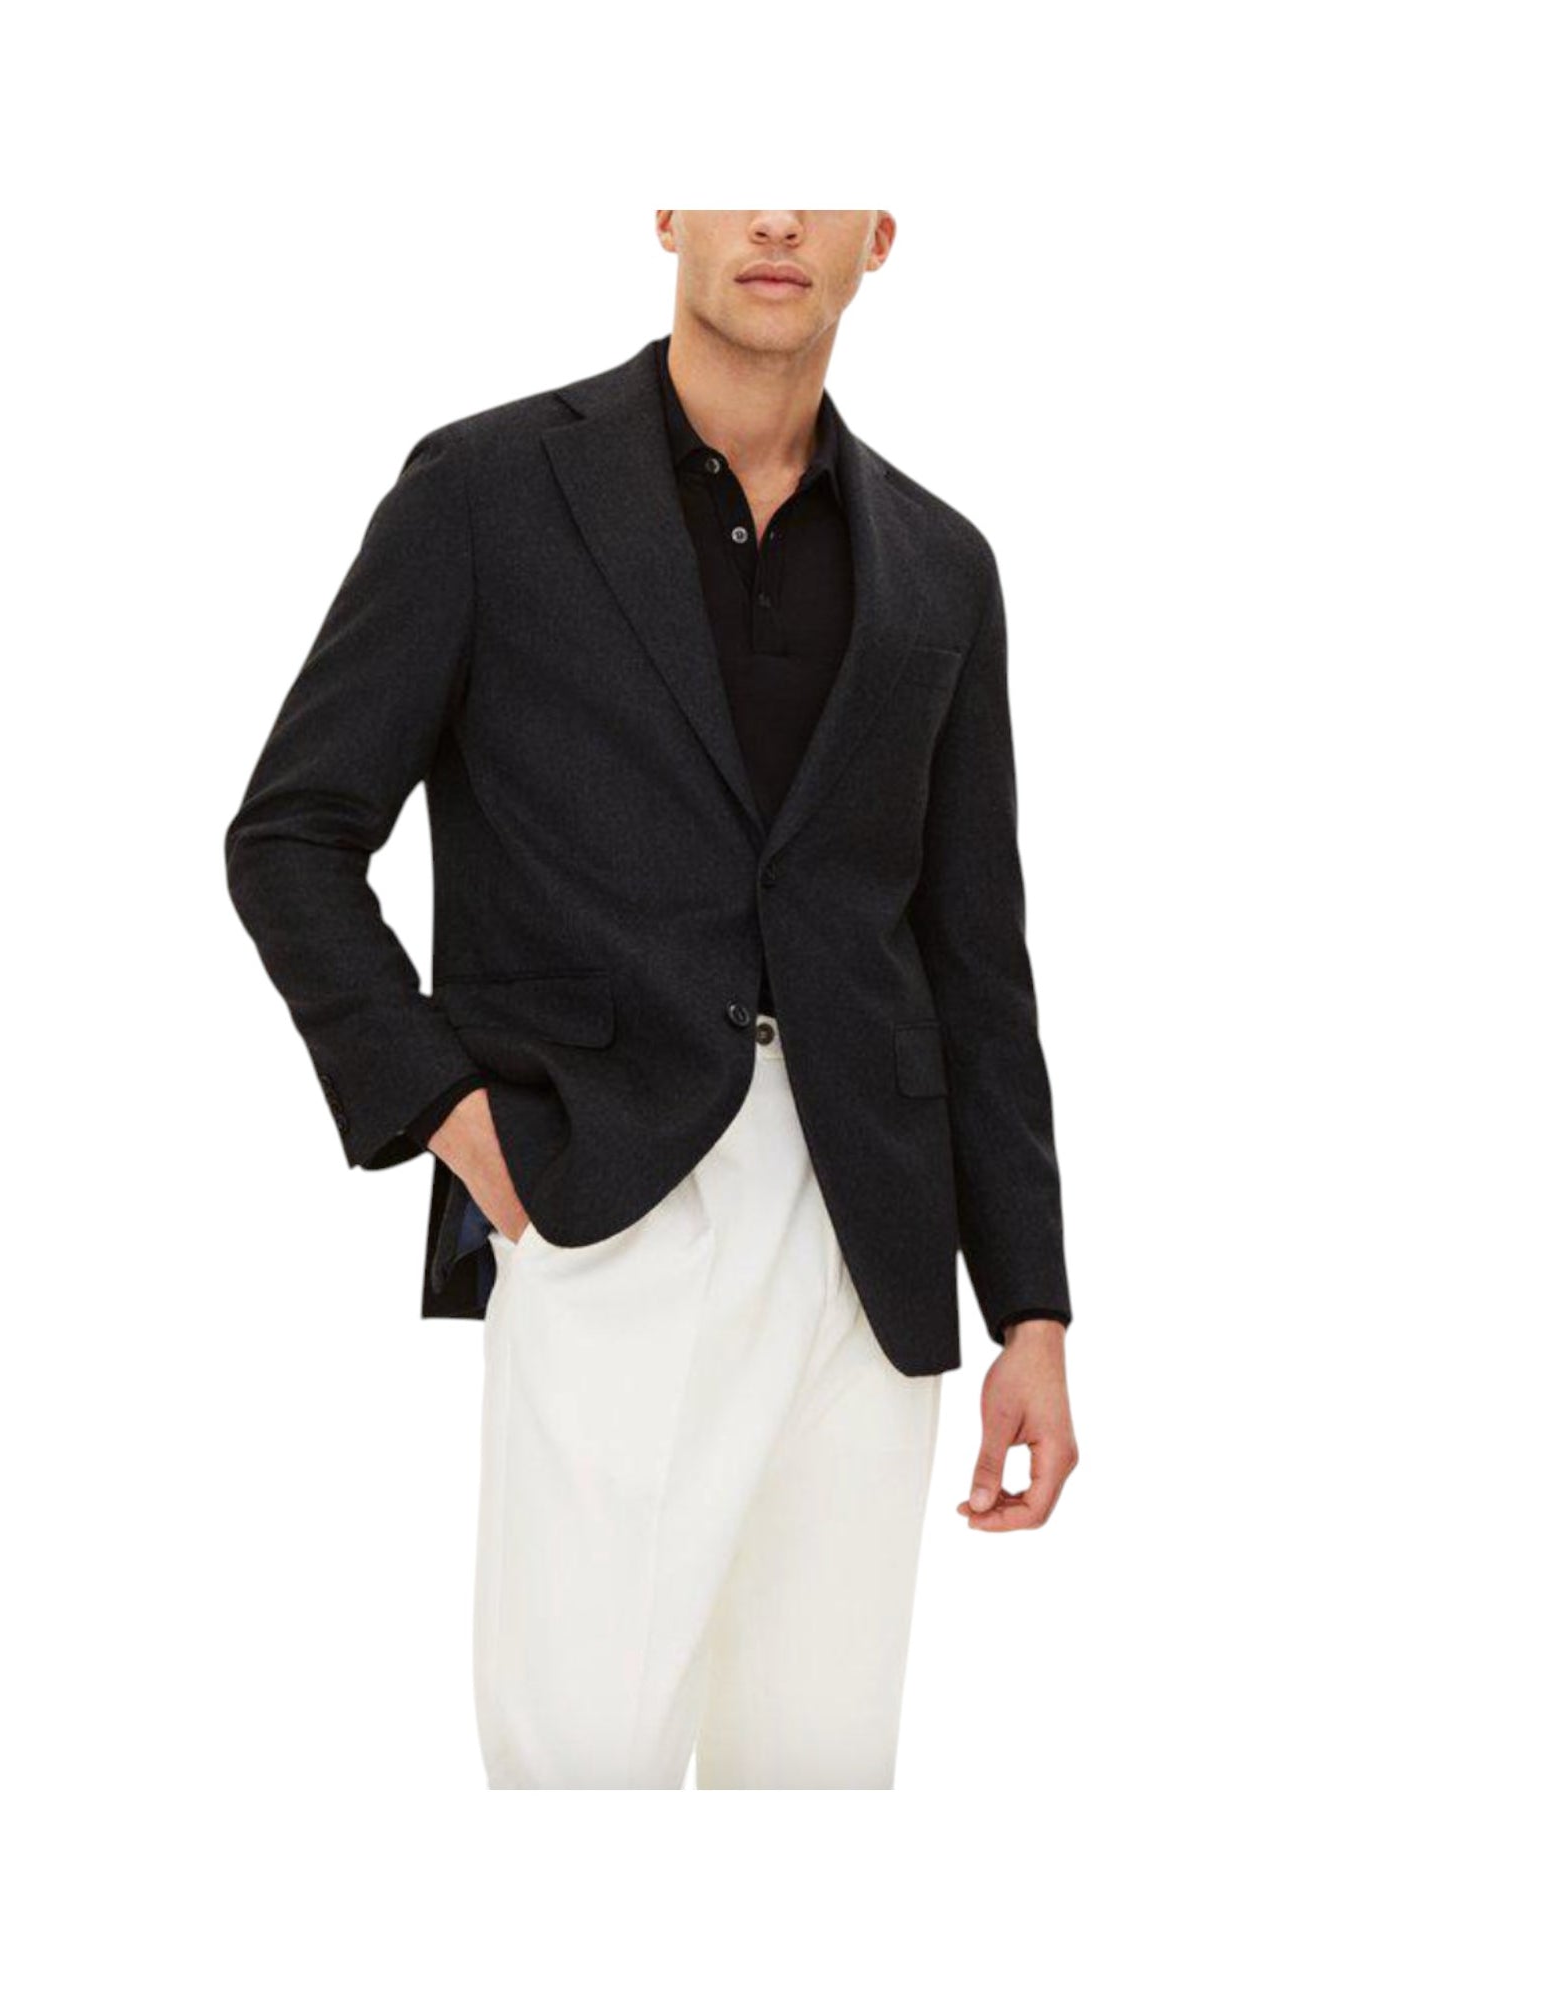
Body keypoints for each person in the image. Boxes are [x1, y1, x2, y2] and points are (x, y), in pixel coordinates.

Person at [225, 210, 1079, 1789]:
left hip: (873, 1243)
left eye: (824, 181)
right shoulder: (487, 491)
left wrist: (1030, 1308)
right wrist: (453, 1117)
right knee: (581, 1765)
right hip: (603, 1192)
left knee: (819, 1776)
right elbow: (291, 836)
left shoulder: (942, 564)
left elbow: (975, 956)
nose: (778, 217)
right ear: (669, 209)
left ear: (882, 235)